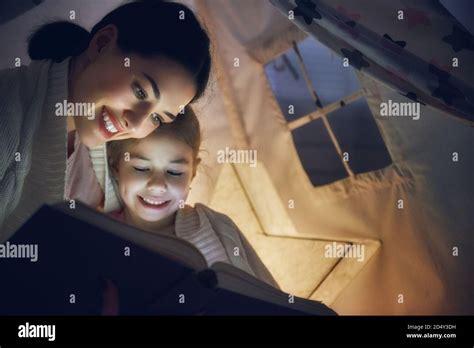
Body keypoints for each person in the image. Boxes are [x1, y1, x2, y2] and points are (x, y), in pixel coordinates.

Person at [0, 1, 211, 239]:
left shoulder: (108, 149)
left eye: (157, 117)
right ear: (102, 44)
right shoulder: (8, 114)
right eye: (140, 92)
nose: (136, 122)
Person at [107, 106, 279, 287]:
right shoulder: (102, 233)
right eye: (141, 168)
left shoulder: (216, 225)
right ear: (116, 166)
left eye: (174, 172)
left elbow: (271, 297)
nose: (158, 185)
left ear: (193, 172)